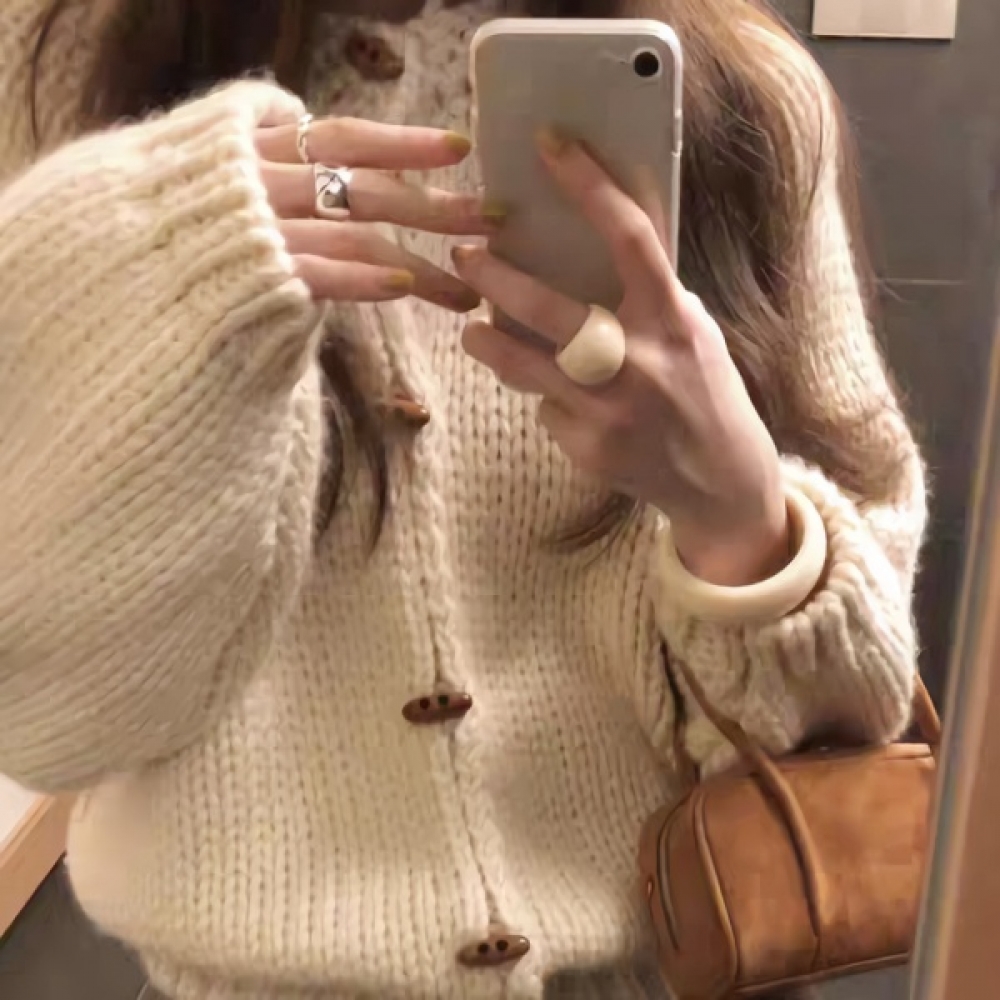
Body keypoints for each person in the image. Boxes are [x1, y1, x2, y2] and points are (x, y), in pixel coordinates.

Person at [0, 0, 926, 997]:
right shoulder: (60, 67)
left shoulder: (751, 96)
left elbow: (855, 721)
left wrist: (741, 522)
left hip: (676, 965)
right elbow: (48, 723)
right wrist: (177, 263)